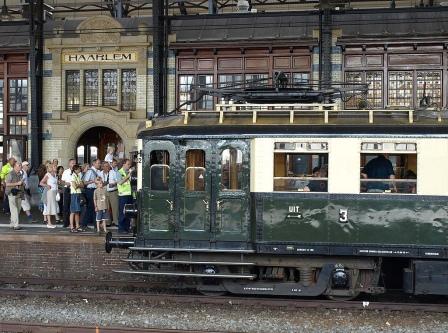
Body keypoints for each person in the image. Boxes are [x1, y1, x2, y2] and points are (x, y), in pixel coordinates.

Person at [82, 159, 101, 230]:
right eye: (98, 163)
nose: (99, 164)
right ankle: (84, 223)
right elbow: (85, 182)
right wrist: (94, 181)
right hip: (90, 191)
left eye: (99, 163)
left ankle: (95, 224)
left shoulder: (97, 172)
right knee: (91, 207)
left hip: (95, 190)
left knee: (94, 207)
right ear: (94, 163)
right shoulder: (90, 171)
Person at [5, 161, 24, 230]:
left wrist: (22, 184)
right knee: (14, 209)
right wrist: (17, 183)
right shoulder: (10, 174)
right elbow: (7, 184)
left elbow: (20, 183)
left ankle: (12, 223)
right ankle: (16, 225)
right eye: (19, 166)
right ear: (15, 166)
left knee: (18, 209)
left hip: (18, 193)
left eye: (21, 166)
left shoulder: (20, 174)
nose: (21, 167)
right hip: (11, 193)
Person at [117, 159, 134, 233]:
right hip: (123, 195)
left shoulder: (129, 172)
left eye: (130, 164)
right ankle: (121, 228)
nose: (129, 166)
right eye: (128, 164)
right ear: (123, 164)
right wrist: (128, 175)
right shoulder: (119, 172)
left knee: (129, 212)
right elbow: (120, 182)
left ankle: (127, 227)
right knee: (123, 212)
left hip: (130, 194)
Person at [39, 164, 58, 228]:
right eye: (55, 166)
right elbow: (41, 183)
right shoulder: (48, 174)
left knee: (52, 207)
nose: (56, 167)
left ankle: (50, 223)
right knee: (49, 208)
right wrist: (47, 185)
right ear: (51, 168)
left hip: (54, 192)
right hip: (50, 192)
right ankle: (49, 223)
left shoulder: (55, 175)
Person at [100, 162, 118, 227]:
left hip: (113, 191)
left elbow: (118, 180)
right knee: (105, 207)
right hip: (104, 192)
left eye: (107, 166)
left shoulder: (113, 172)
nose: (106, 167)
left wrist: (113, 184)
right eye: (105, 166)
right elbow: (98, 182)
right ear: (102, 167)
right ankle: (107, 222)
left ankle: (116, 222)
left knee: (115, 207)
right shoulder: (100, 173)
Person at [61, 159, 76, 228]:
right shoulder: (66, 172)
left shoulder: (77, 171)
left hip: (75, 190)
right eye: (72, 163)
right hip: (67, 189)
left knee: (73, 207)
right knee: (66, 206)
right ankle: (66, 223)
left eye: (74, 163)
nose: (74, 164)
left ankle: (73, 223)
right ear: (69, 164)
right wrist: (66, 183)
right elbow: (62, 181)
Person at [70, 164, 83, 233]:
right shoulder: (73, 176)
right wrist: (79, 184)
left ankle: (77, 226)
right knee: (73, 211)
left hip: (78, 194)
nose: (80, 170)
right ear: (75, 170)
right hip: (74, 194)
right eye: (78, 169)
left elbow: (82, 185)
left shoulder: (78, 176)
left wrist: (78, 184)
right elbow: (74, 186)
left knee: (77, 211)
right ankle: (72, 227)